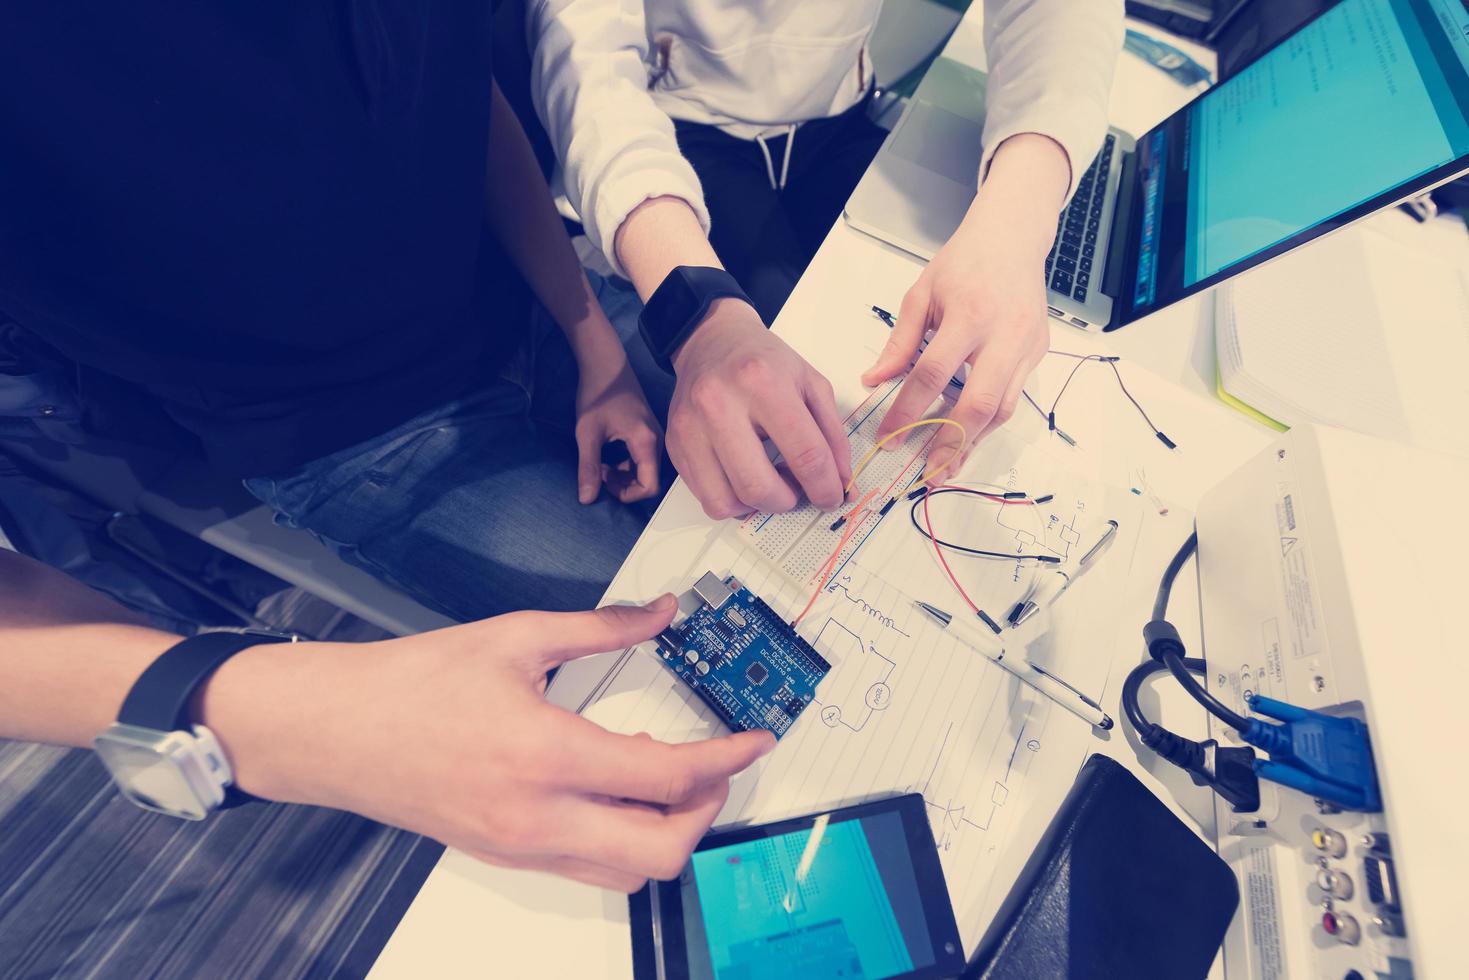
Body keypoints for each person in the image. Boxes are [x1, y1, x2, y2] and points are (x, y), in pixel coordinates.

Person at [0, 3, 762, 890]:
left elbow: (459, 99)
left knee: (797, 524)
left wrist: (592, 341)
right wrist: (287, 717)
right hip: (344, 430)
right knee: (702, 677)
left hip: (528, 292)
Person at [530, 0, 1124, 499]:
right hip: (677, 132)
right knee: (799, 394)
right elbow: (586, 65)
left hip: (843, 108)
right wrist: (698, 314)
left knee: (913, 341)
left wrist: (1017, 223)